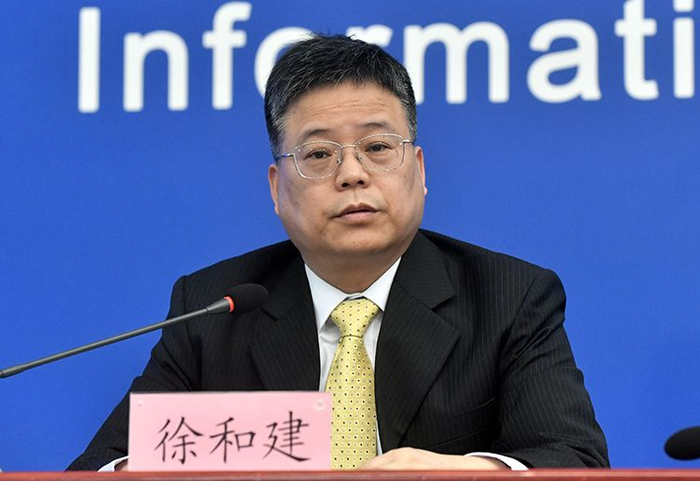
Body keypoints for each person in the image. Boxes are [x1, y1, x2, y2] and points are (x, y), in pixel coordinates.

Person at [68, 34, 608, 471]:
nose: (352, 173)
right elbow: (101, 467)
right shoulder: (213, 309)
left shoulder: (508, 298)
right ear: (277, 188)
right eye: (319, 154)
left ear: (419, 170)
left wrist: (465, 472)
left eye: (377, 147)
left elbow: (574, 460)